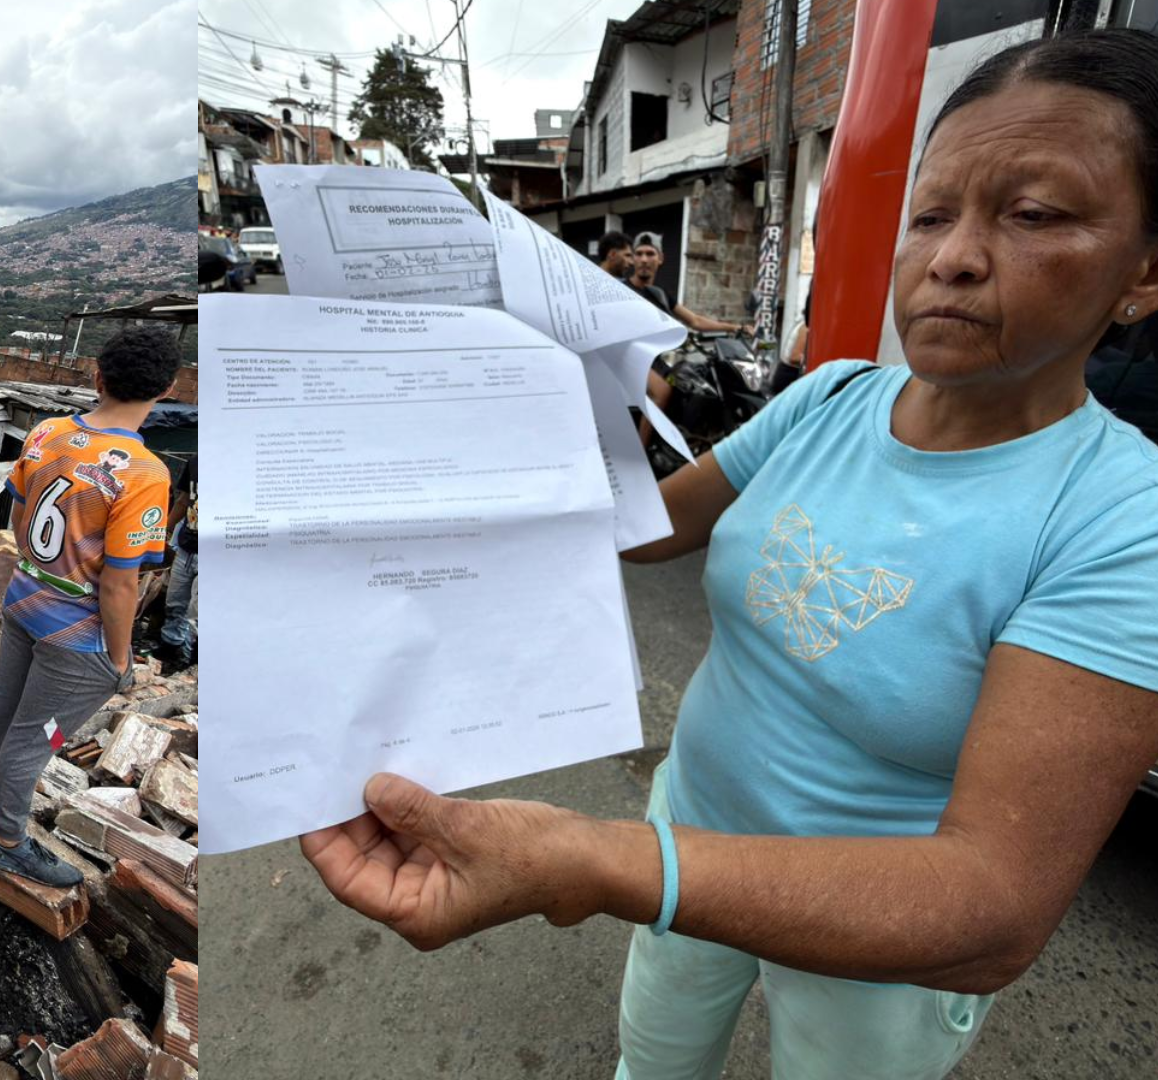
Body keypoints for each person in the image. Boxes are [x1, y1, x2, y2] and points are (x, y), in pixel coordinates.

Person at [302, 29, 1158, 1080]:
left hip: (875, 937)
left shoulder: (1124, 519)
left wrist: (594, 864)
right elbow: (652, 527)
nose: (954, 256)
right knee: (652, 1064)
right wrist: (474, 444)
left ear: (1144, 270)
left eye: (1032, 215)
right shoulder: (832, 397)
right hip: (688, 831)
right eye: (931, 213)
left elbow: (991, 907)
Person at [0, 326, 177, 887]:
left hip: (23, 601)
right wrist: (119, 657)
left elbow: (16, 514)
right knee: (43, 737)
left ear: (97, 377)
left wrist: (40, 573)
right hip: (77, 638)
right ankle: (8, 841)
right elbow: (119, 583)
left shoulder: (47, 433)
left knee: (2, 701)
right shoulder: (144, 473)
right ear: (167, 389)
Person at [632, 233, 749, 334]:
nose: (644, 260)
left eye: (650, 254)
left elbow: (695, 321)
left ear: (660, 258)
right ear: (633, 258)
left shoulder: (660, 295)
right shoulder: (621, 290)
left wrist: (736, 328)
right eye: (639, 254)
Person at [157, 453, 198, 674]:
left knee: (198, 614)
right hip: (186, 546)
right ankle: (169, 654)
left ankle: (194, 666)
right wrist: (163, 530)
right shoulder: (196, 461)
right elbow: (183, 500)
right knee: (174, 603)